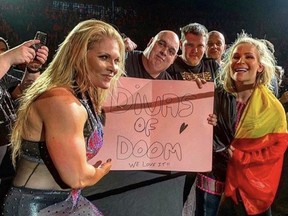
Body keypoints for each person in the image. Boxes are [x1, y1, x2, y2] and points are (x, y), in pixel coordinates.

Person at [82, 30, 216, 216]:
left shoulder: (171, 85)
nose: (164, 52)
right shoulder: (120, 62)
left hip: (141, 178)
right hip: (103, 169)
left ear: (173, 58)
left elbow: (180, 127)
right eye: (161, 44)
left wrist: (202, 115)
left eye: (171, 51)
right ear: (151, 41)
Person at [2, 19, 125, 215]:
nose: (114, 68)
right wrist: (100, 170)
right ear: (78, 55)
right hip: (36, 207)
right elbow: (77, 178)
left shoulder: (82, 96)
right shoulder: (62, 102)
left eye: (117, 60)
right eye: (104, 57)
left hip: (64, 201)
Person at [216, 32, 288, 216]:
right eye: (236, 57)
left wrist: (241, 156)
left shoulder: (273, 108)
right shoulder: (219, 98)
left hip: (253, 197)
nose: (241, 61)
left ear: (260, 67)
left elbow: (277, 149)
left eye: (249, 57)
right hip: (221, 189)